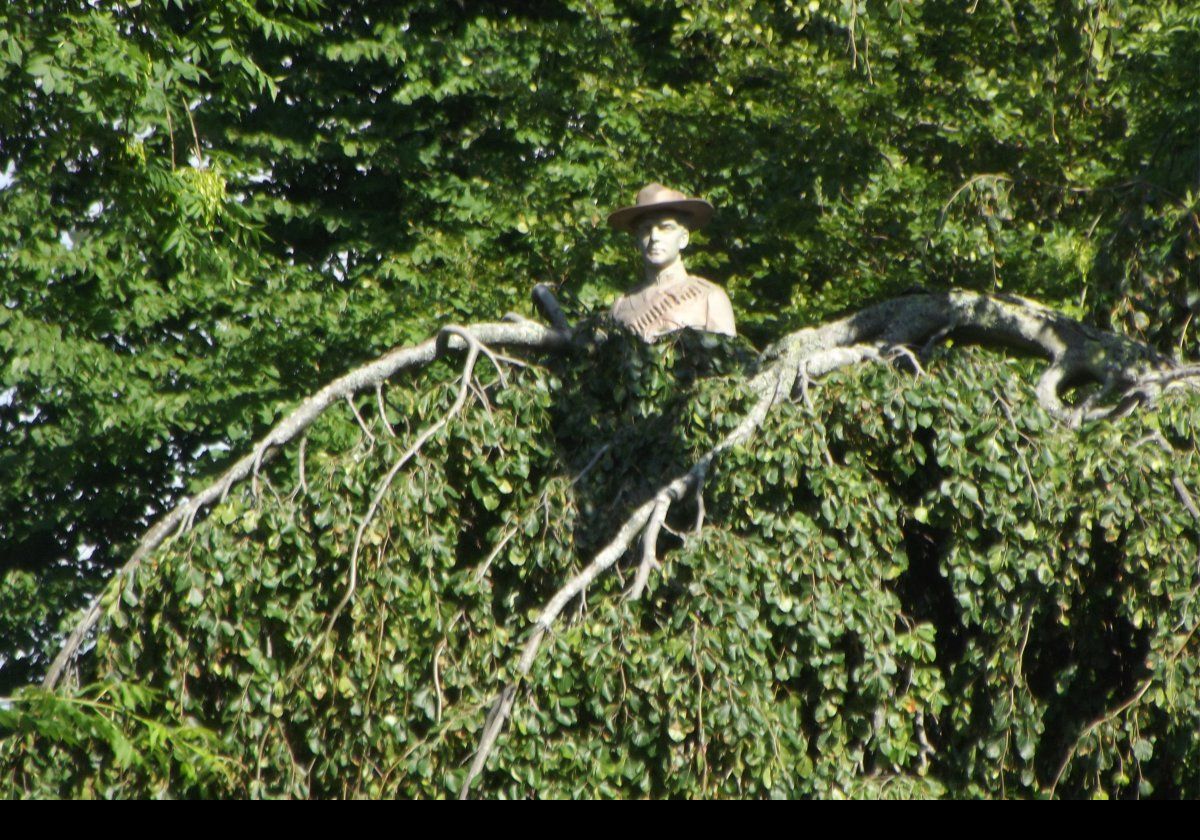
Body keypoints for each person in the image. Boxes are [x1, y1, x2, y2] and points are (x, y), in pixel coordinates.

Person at [607, 183, 737, 343]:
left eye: (665, 228)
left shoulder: (710, 298)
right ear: (637, 239)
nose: (655, 237)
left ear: (683, 238)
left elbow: (729, 362)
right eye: (647, 229)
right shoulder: (620, 307)